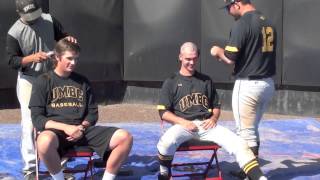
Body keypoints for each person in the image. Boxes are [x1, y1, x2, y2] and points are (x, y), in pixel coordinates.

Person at [156, 42, 267, 180]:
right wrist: (183, 122)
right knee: (166, 142)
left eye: (194, 58)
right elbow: (163, 112)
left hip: (207, 125)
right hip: (182, 126)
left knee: (239, 143)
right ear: (180, 57)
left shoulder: (205, 80)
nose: (191, 62)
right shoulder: (171, 81)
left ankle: (260, 178)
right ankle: (164, 173)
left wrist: (214, 119)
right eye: (188, 59)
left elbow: (216, 106)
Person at [29, 38, 133, 180]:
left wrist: (81, 128)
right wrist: (66, 128)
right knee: (43, 140)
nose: (73, 63)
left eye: (76, 59)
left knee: (125, 137)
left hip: (83, 131)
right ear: (57, 57)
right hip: (56, 133)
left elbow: (92, 114)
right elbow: (37, 119)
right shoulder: (43, 81)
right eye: (69, 58)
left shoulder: (83, 81)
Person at [6, 0, 77, 178]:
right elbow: (12, 61)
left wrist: (68, 39)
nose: (33, 19)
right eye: (28, 16)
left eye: (35, 14)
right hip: (29, 80)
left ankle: (59, 166)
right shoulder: (14, 32)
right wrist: (31, 58)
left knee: (58, 117)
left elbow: (62, 36)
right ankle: (30, 168)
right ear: (19, 13)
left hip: (52, 77)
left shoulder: (49, 19)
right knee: (30, 123)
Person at [211, 0, 276, 178]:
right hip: (267, 83)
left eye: (228, 7)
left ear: (237, 3)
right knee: (252, 129)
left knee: (245, 132)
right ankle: (248, 171)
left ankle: (252, 175)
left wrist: (217, 52)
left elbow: (230, 58)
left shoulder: (243, 23)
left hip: (249, 85)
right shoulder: (267, 21)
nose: (228, 11)